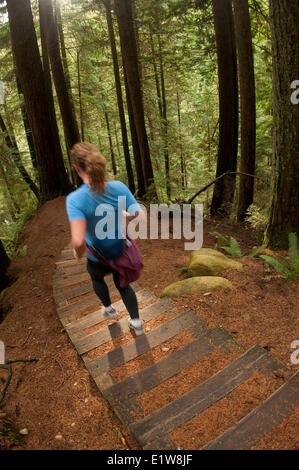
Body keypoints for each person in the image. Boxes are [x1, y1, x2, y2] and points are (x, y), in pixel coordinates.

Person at [65, 142, 144, 336]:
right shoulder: (118, 187)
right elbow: (140, 216)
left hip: (97, 256)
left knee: (96, 277)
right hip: (119, 250)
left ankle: (109, 309)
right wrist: (124, 215)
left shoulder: (75, 199)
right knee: (123, 285)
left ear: (77, 168)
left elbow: (78, 241)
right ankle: (137, 323)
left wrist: (77, 253)